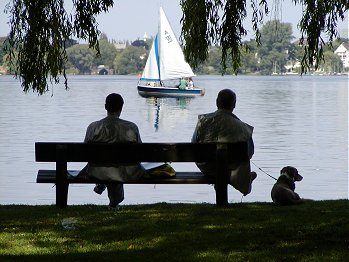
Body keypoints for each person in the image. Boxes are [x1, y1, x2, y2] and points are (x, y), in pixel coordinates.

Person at [81, 93, 144, 209]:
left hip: (96, 171)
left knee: (109, 166)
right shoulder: (131, 127)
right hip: (127, 171)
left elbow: (85, 152)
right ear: (121, 107)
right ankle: (114, 202)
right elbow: (140, 153)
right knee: (117, 167)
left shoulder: (93, 127)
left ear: (106, 107)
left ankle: (103, 185)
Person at [191, 89, 257, 196]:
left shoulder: (203, 121)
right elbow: (249, 153)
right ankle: (245, 180)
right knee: (240, 164)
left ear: (217, 102)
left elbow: (193, 145)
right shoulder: (242, 127)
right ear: (234, 104)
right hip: (230, 169)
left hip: (208, 167)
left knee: (220, 167)